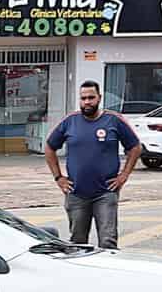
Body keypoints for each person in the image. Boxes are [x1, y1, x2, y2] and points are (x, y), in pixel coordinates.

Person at [44, 80, 141, 251]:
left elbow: (135, 147)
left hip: (106, 193)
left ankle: (108, 275)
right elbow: (50, 147)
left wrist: (124, 175)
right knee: (78, 243)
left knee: (108, 242)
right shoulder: (70, 121)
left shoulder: (114, 120)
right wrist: (58, 177)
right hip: (76, 194)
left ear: (99, 98)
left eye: (91, 97)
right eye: (83, 98)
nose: (87, 102)